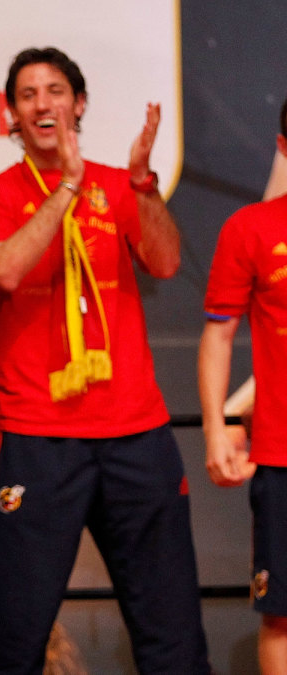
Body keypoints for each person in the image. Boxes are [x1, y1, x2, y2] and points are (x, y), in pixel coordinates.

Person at [0, 46, 209, 673]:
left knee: (172, 630)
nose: (43, 103)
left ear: (78, 104)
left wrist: (141, 185)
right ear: (12, 118)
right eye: (27, 95)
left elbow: (165, 262)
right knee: (15, 639)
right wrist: (68, 184)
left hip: (136, 430)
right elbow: (6, 269)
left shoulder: (120, 184)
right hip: (37, 436)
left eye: (55, 91)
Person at [198, 97, 287, 675]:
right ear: (284, 146)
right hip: (281, 457)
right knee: (282, 614)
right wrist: (215, 430)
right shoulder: (251, 227)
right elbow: (218, 337)